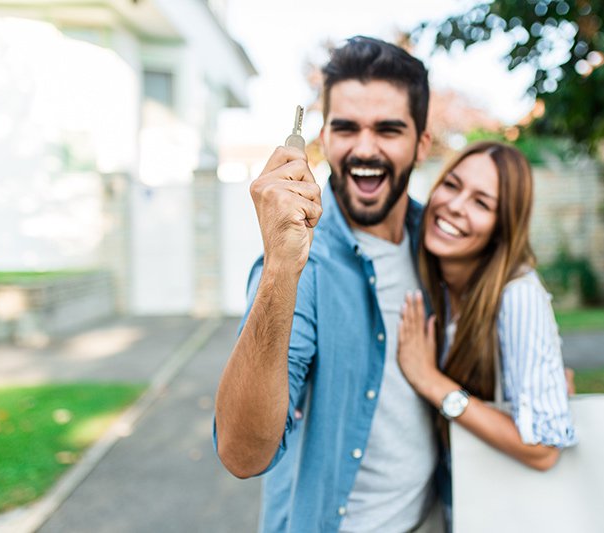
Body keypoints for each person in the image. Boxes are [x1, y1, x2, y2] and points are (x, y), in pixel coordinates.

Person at [214, 36, 443, 532]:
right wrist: (280, 268)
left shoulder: (442, 246)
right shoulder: (300, 267)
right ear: (323, 137)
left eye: (388, 129)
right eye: (346, 128)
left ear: (421, 144)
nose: (364, 148)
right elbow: (241, 453)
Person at [395, 141, 578, 522]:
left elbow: (543, 449)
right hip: (456, 502)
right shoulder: (438, 283)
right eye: (451, 185)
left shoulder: (518, 296)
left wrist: (431, 381)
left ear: (502, 227)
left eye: (481, 203)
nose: (456, 206)